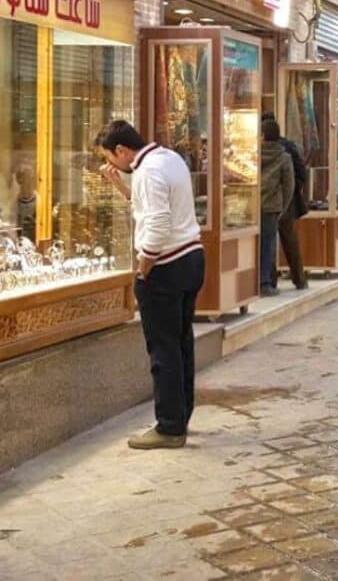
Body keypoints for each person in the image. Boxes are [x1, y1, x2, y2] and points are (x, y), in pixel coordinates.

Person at [98, 120, 205, 450]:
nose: (110, 164)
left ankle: (170, 427)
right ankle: (180, 414)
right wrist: (121, 187)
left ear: (121, 150)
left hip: (166, 266)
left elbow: (157, 224)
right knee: (181, 342)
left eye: (109, 158)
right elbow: (154, 210)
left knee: (163, 349)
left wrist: (144, 269)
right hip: (191, 258)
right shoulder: (168, 158)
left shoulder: (147, 171)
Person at [263, 112, 308, 290]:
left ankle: (270, 280)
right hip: (286, 202)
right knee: (289, 242)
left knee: (269, 242)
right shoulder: (288, 147)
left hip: (273, 203)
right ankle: (299, 279)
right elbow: (301, 173)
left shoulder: (261, 150)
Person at [260, 118, 295, 297]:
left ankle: (248, 282)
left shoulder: (252, 154)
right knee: (268, 245)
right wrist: (282, 206)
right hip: (271, 208)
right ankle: (265, 283)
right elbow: (289, 185)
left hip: (247, 206)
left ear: (262, 135)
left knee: (251, 245)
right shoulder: (283, 157)